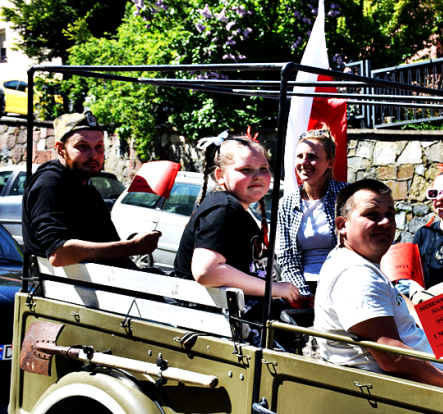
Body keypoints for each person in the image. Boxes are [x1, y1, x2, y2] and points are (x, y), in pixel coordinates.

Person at [313, 179, 443, 390]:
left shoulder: (354, 261)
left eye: (390, 214)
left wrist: (429, 323)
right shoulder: (357, 274)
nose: (385, 222)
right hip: (406, 392)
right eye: (372, 214)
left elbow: (392, 297)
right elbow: (393, 357)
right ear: (342, 225)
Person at [174, 132, 298, 306]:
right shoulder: (223, 209)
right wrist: (273, 288)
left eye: (263, 168)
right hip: (212, 316)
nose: (257, 175)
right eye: (245, 170)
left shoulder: (233, 208)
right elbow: (206, 271)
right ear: (220, 175)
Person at [22, 111, 160, 268]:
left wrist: (143, 281)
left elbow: (113, 249)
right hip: (57, 290)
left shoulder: (87, 188)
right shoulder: (50, 184)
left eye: (99, 146)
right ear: (60, 149)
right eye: (82, 146)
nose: (93, 155)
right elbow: (59, 254)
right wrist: (133, 246)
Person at [278, 127, 348, 298]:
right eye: (300, 156)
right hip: (304, 287)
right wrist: (305, 295)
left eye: (313, 157)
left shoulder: (347, 195)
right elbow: (287, 260)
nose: (304, 162)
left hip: (345, 282)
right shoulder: (287, 204)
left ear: (330, 163)